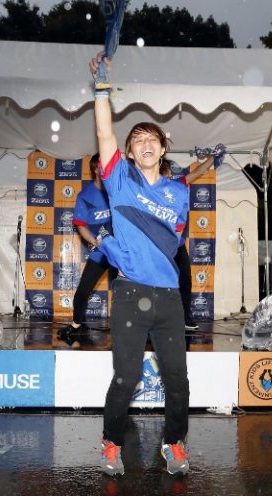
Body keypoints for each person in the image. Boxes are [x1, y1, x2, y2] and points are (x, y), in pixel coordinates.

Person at [89, 51, 191, 477]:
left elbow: (175, 240)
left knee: (178, 380)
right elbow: (103, 132)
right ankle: (111, 442)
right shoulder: (119, 180)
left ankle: (174, 444)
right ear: (130, 153)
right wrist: (101, 89)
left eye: (153, 139)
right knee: (126, 378)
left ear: (163, 148)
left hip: (168, 297)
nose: (145, 144)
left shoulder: (180, 192)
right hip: (130, 294)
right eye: (137, 140)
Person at [58, 154, 116, 343]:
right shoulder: (85, 196)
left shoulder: (118, 190)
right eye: (103, 166)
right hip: (101, 252)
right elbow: (81, 226)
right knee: (82, 293)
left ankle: (138, 328)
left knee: (129, 292)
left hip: (122, 253)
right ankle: (76, 325)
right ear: (95, 170)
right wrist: (96, 242)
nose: (107, 170)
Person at [160, 155, 219, 330]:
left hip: (177, 246)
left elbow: (198, 172)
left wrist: (212, 159)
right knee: (158, 283)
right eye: (166, 173)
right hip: (159, 247)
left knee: (185, 280)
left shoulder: (178, 184)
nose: (170, 176)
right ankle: (156, 321)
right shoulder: (150, 191)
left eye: (170, 173)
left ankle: (185, 317)